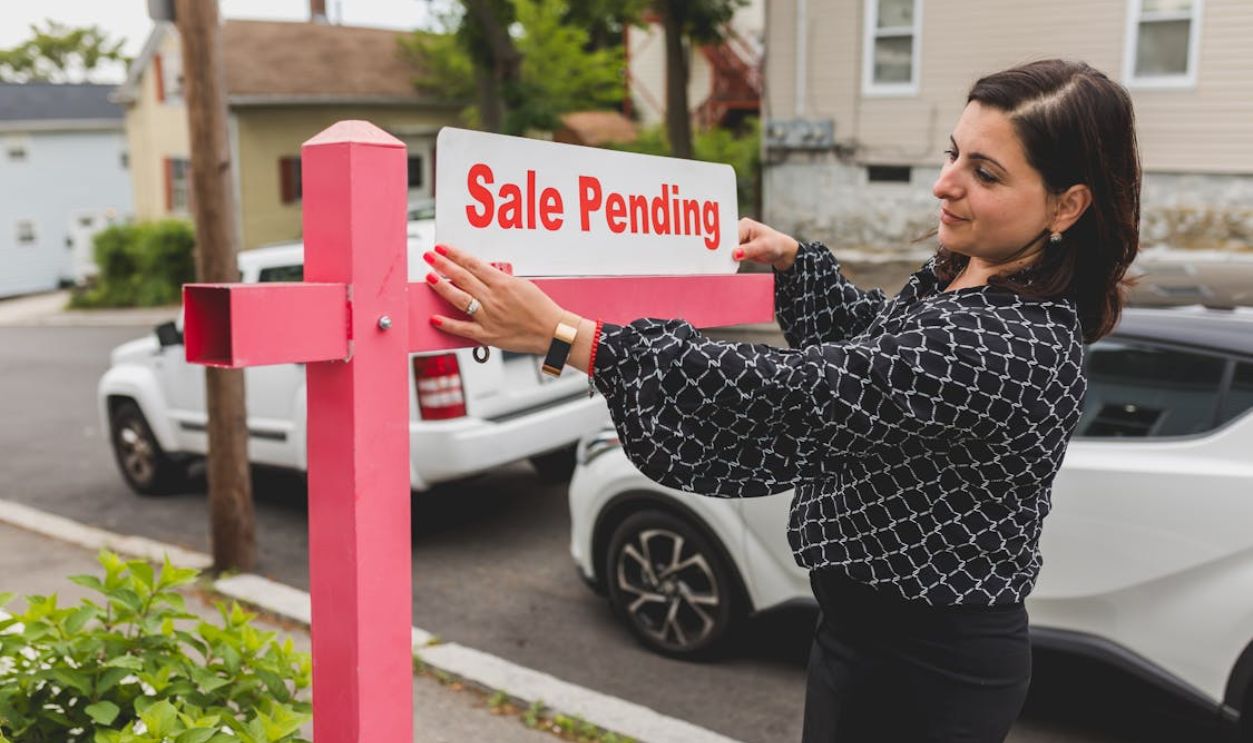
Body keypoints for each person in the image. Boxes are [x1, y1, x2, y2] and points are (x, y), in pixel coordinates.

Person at [422, 58, 1141, 742]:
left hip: (924, 668)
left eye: (983, 172)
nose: (943, 184)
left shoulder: (1011, 341)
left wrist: (567, 337)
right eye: (952, 153)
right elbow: (878, 341)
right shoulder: (973, 273)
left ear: (1066, 204)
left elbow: (807, 391)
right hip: (867, 638)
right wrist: (800, 267)